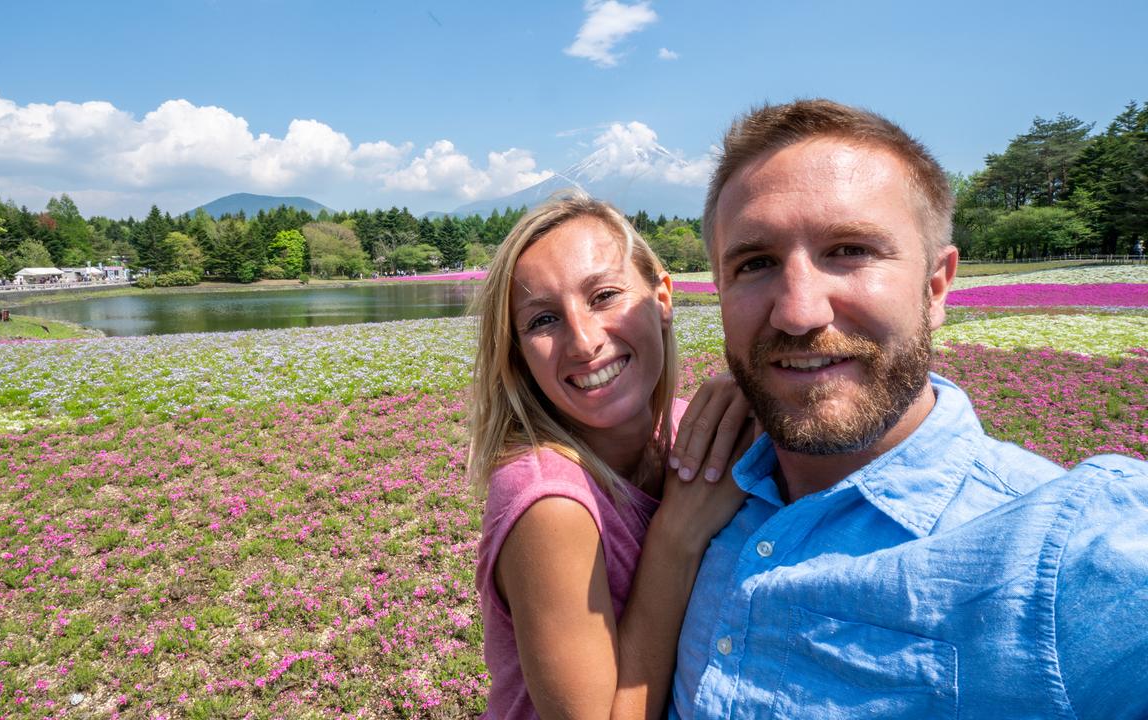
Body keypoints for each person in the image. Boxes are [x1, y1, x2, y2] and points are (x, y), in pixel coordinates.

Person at [670, 99, 1148, 718]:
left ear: (936, 286)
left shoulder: (1065, 556)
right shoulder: (695, 489)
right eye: (755, 263)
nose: (798, 311)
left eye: (849, 250)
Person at [469, 194, 753, 719]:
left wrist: (758, 391)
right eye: (543, 320)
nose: (582, 341)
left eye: (603, 295)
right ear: (518, 353)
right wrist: (676, 538)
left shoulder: (694, 429)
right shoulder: (549, 505)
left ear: (662, 297)